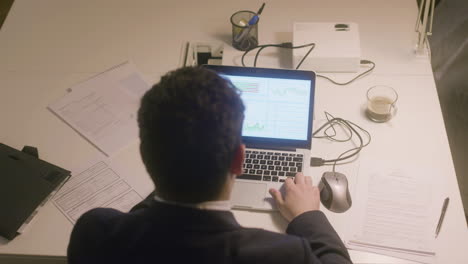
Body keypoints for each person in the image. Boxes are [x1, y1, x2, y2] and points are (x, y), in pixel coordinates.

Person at [67, 67, 352, 264]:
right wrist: (306, 217)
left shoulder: (96, 232)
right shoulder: (283, 255)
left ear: (144, 154)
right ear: (240, 159)